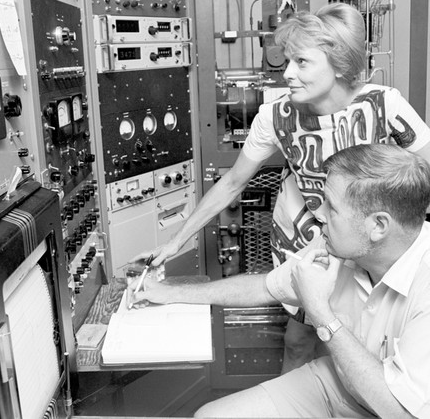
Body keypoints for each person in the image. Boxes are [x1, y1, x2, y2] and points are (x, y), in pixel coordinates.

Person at [133, 2, 430, 372]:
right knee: (299, 339)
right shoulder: (275, 115)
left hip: (370, 241)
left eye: (302, 62)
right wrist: (178, 240)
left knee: (373, 339)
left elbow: (426, 171)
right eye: (288, 61)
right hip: (309, 238)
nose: (287, 73)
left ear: (339, 64)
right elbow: (232, 183)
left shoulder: (384, 105)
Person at [129, 144, 430, 418]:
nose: (319, 215)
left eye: (331, 208)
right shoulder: (334, 246)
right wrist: (169, 292)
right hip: (338, 384)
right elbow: (264, 286)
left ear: (378, 225)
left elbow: (400, 410)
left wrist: (321, 313)